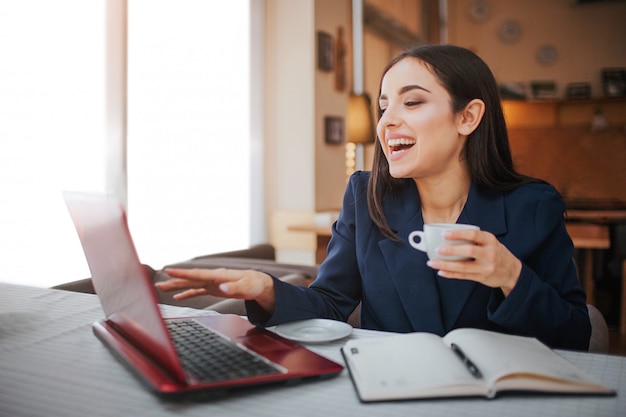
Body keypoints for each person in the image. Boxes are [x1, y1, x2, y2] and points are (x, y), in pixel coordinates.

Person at [157, 44, 591, 351]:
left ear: (468, 116)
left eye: (412, 102)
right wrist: (265, 289)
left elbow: (575, 336)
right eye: (384, 107)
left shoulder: (534, 206)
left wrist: (510, 276)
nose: (388, 122)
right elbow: (331, 303)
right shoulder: (366, 197)